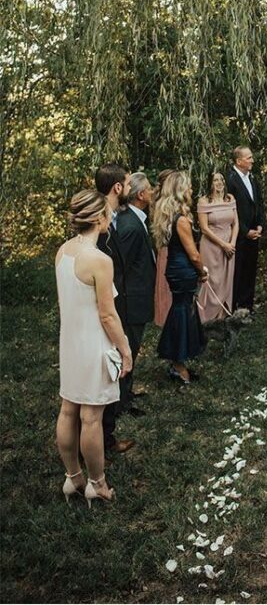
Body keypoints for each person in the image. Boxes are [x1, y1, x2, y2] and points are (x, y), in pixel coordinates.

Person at [55, 190, 132, 506]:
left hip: (70, 340)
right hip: (93, 344)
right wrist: (125, 348)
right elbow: (107, 314)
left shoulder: (63, 251)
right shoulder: (100, 260)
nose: (112, 216)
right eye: (109, 213)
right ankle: (97, 484)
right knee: (91, 417)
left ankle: (73, 477)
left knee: (68, 408)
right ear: (98, 218)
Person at [95, 162, 135, 458]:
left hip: (118, 301)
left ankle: (106, 433)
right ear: (117, 187)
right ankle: (104, 439)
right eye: (129, 184)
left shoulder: (115, 217)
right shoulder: (98, 226)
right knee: (109, 371)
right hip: (106, 307)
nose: (131, 190)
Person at [154, 171, 208, 386]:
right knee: (182, 313)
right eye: (189, 187)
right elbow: (193, 253)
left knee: (182, 311)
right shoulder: (182, 220)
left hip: (177, 269)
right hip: (183, 270)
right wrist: (202, 271)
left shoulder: (171, 215)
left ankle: (178, 359)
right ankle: (177, 362)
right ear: (181, 190)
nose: (192, 190)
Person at [116, 172, 157, 415]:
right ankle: (121, 403)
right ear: (141, 195)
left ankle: (126, 393)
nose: (152, 192)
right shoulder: (130, 225)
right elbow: (121, 268)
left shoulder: (135, 218)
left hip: (137, 296)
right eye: (149, 189)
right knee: (128, 350)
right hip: (131, 300)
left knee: (133, 347)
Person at [226, 147, 265, 317]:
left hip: (254, 233)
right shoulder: (230, 180)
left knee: (250, 271)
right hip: (238, 236)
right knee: (237, 273)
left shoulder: (253, 178)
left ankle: (247, 307)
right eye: (249, 158)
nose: (252, 160)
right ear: (238, 161)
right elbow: (229, 210)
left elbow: (259, 203)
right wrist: (244, 231)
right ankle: (234, 309)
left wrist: (260, 225)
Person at [197, 171, 238, 321]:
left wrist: (232, 243)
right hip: (212, 246)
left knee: (227, 279)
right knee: (212, 280)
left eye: (221, 179)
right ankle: (206, 318)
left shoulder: (230, 198)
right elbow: (204, 228)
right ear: (210, 183)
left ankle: (223, 316)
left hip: (229, 245)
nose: (219, 183)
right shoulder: (204, 201)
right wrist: (223, 245)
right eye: (215, 180)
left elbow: (236, 223)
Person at [152, 169, 174, 327]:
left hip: (164, 245)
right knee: (167, 282)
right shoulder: (163, 202)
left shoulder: (161, 199)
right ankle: (167, 314)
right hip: (168, 245)